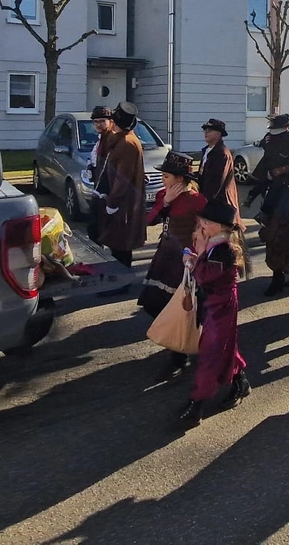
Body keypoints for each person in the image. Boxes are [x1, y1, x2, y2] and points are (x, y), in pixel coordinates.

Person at [177, 199, 251, 429]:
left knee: (211, 353)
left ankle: (197, 402)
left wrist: (191, 262)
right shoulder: (212, 243)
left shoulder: (224, 249)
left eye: (206, 223)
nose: (202, 225)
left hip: (221, 306)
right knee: (225, 347)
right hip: (212, 304)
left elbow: (206, 275)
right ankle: (240, 381)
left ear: (220, 226)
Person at [140, 152, 207, 383]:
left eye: (166, 176)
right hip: (165, 255)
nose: (163, 180)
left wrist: (197, 255)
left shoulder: (197, 200)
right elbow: (149, 221)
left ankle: (180, 355)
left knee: (182, 307)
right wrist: (166, 202)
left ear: (180, 178)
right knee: (153, 302)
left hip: (184, 261)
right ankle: (179, 346)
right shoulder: (163, 194)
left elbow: (205, 230)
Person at [247, 113, 289, 296]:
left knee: (283, 236)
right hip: (275, 193)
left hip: (288, 194)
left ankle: (282, 277)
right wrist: (256, 189)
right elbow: (265, 167)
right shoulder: (270, 141)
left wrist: (278, 172)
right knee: (275, 237)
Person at [97, 101, 147, 266]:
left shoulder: (127, 143)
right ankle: (119, 279)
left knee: (121, 245)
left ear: (114, 121)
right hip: (122, 202)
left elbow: (122, 179)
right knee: (117, 244)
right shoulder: (120, 138)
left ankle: (121, 282)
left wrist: (112, 203)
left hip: (124, 204)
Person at [198, 118, 241, 222]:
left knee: (223, 234)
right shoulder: (207, 151)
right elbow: (203, 174)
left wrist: (204, 201)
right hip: (210, 200)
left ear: (218, 134)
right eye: (205, 130)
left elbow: (217, 182)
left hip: (221, 202)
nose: (206, 132)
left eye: (209, 130)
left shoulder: (221, 153)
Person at [85, 106, 115, 242]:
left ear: (110, 122)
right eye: (95, 122)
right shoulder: (101, 139)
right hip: (98, 186)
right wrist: (90, 166)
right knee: (94, 226)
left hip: (108, 190)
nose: (98, 124)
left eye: (102, 121)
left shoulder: (111, 139)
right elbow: (94, 158)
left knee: (103, 227)